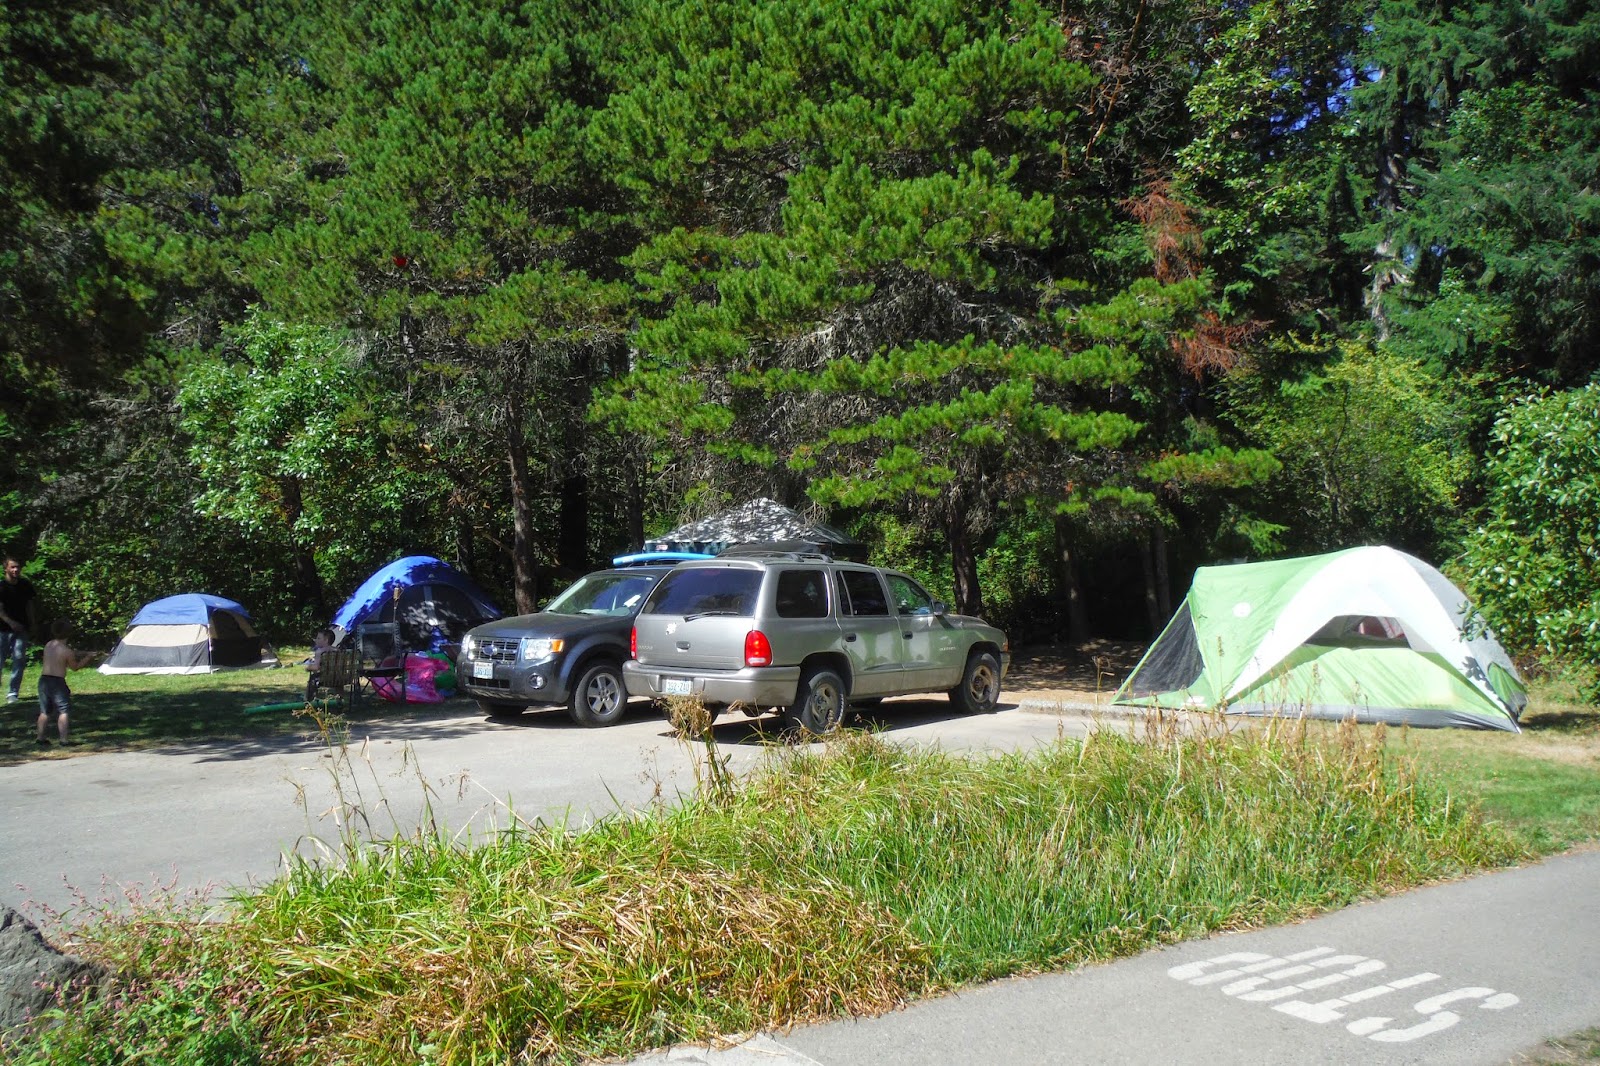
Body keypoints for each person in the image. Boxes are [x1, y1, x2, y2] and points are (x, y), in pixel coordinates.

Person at [37, 619, 98, 746]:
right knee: (63, 711)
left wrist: (83, 652)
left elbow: (63, 653)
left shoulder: (49, 645)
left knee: (45, 711)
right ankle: (63, 740)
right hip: (57, 682)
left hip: (43, 681)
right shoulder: (67, 651)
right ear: (69, 634)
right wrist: (88, 658)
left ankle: (40, 738)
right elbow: (75, 667)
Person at [0, 555, 40, 705]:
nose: (16, 569)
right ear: (6, 568)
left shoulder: (25, 585)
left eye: (17, 567)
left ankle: (13, 693)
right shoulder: (1, 586)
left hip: (22, 628)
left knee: (19, 659)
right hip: (3, 630)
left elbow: (30, 605)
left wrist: (33, 622)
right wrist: (11, 623)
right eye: (12, 567)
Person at [304, 627, 334, 701]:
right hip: (340, 677)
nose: (316, 640)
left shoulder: (320, 652)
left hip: (324, 678)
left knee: (312, 678)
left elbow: (316, 667)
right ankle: (340, 699)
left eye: (318, 638)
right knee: (338, 682)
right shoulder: (337, 650)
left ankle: (308, 699)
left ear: (326, 640)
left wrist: (308, 667)